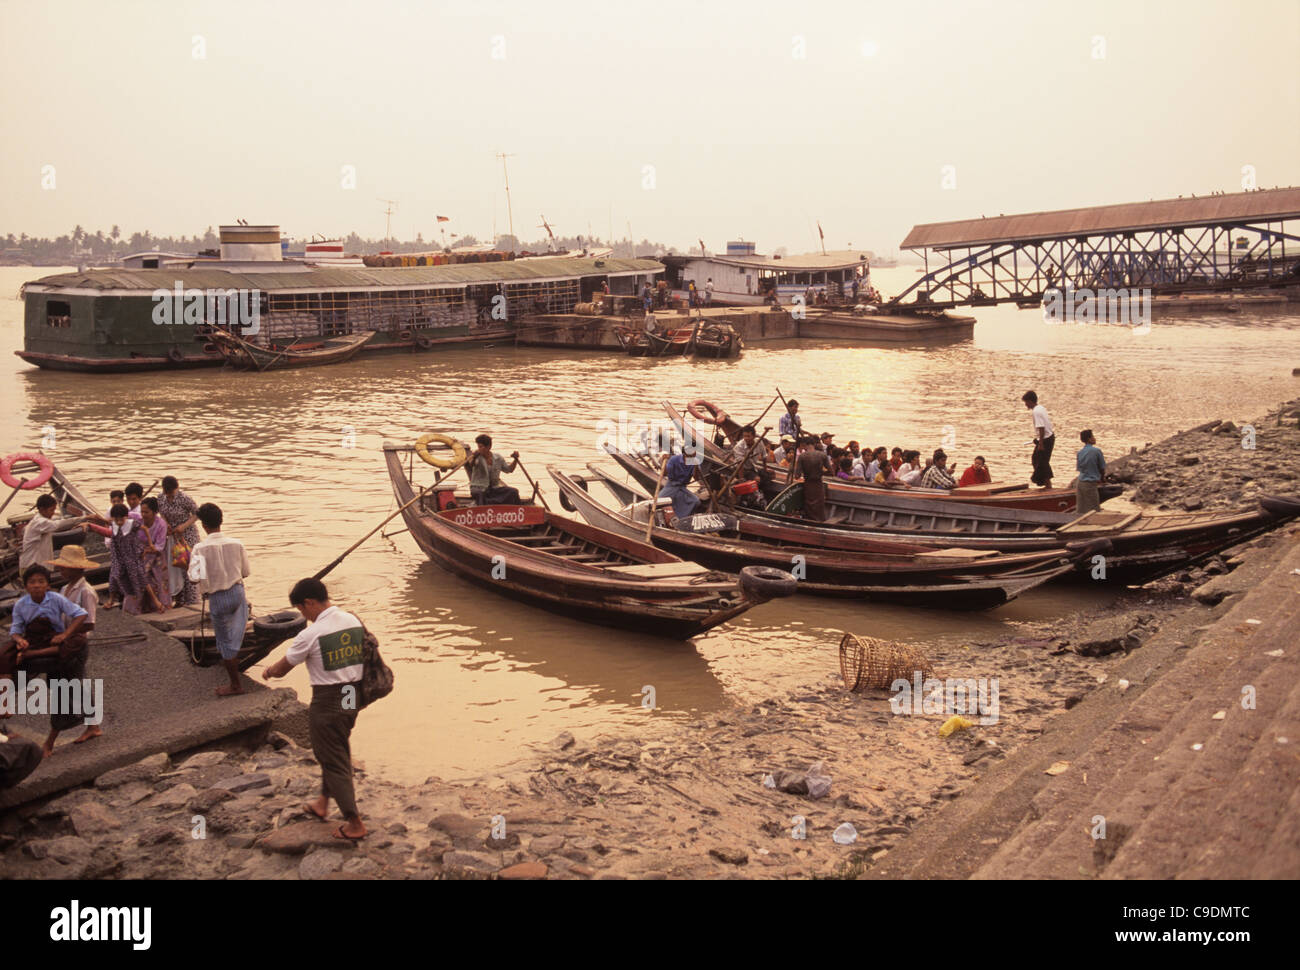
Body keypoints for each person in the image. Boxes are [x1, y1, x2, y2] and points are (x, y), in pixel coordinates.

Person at [263, 578, 367, 842]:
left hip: (328, 699)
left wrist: (268, 671)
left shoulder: (310, 634)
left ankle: (354, 822)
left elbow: (284, 666)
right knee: (335, 747)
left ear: (309, 602)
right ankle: (322, 801)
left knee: (332, 757)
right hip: (351, 696)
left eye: (301, 609)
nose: (303, 616)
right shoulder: (352, 620)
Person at [0, 565, 92, 757]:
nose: (37, 586)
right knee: (5, 655)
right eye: (32, 582)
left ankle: (51, 741)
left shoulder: (73, 594)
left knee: (70, 686)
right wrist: (20, 640)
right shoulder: (23, 604)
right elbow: (16, 630)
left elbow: (84, 617)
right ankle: (4, 702)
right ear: (26, 586)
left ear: (47, 585)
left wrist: (65, 634)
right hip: (34, 641)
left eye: (41, 582)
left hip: (59, 643)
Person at [188, 502, 251, 697]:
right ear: (220, 521)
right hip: (237, 593)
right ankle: (237, 670)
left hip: (218, 597)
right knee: (235, 635)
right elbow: (245, 572)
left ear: (204, 526)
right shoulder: (236, 543)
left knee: (225, 642)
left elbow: (194, 577)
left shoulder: (200, 548)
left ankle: (235, 685)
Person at [45, 545, 102, 747]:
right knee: (74, 683)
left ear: (77, 569)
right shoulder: (64, 589)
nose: (62, 571)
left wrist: (66, 633)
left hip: (76, 643)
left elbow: (90, 622)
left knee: (76, 683)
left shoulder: (86, 592)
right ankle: (90, 723)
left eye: (65, 567)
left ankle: (90, 724)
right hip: (65, 640)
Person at [18, 494, 103, 574]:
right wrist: (85, 518)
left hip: (37, 565)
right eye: (51, 510)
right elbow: (58, 525)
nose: (53, 513)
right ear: (42, 509)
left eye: (54, 510)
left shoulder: (41, 520)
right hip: (32, 566)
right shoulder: (39, 522)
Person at [158, 476, 201, 606]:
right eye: (167, 492)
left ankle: (193, 600)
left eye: (171, 492)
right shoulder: (161, 498)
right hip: (173, 537)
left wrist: (183, 526)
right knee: (176, 567)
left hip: (187, 536)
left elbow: (197, 514)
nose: (169, 495)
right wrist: (166, 524)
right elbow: (161, 513)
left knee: (190, 565)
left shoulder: (184, 498)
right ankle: (179, 600)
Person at [106, 503, 148, 615]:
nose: (119, 522)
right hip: (118, 554)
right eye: (117, 520)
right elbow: (102, 522)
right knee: (114, 574)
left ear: (126, 517)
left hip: (131, 554)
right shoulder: (113, 523)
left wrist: (149, 544)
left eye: (121, 519)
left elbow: (144, 529)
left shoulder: (132, 524)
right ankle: (111, 598)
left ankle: (138, 602)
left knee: (136, 577)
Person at [467, 434, 522, 505]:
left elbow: (509, 470)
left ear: (488, 447)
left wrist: (515, 460)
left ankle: (515, 510)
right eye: (478, 447)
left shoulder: (498, 458)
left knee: (513, 492)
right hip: (478, 488)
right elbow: (471, 465)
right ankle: (483, 511)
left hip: (493, 488)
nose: (479, 449)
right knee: (481, 496)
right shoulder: (477, 458)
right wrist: (474, 457)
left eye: (481, 447)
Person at [138, 497, 170, 612]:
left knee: (161, 581)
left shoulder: (161, 524)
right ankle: (144, 607)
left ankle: (164, 605)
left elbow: (160, 546)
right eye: (142, 511)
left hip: (157, 555)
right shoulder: (137, 520)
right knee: (142, 577)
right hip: (141, 554)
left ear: (154, 512)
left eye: (146, 512)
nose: (143, 514)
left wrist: (149, 550)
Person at [1022, 390, 1055, 488]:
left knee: (1041, 461)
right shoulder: (1040, 408)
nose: (1026, 405)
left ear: (1030, 401)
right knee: (1037, 459)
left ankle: (1047, 483)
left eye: (1026, 402)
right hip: (1048, 437)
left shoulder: (1036, 411)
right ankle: (1045, 482)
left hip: (1045, 439)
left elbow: (1041, 427)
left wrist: (1040, 443)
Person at [660, 446, 701, 522]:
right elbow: (664, 473)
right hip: (671, 486)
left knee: (695, 501)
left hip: (682, 487)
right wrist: (663, 461)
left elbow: (696, 478)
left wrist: (696, 466)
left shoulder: (695, 461)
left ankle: (682, 519)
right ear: (685, 455)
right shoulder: (674, 459)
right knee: (659, 501)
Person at [796, 435, 833, 521]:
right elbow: (831, 473)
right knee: (819, 508)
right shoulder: (822, 455)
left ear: (805, 445)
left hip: (808, 485)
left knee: (809, 508)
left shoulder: (802, 456)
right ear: (814, 444)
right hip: (818, 485)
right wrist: (821, 472)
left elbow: (797, 476)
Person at [1076, 430, 1107, 514]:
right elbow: (1102, 468)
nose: (1094, 438)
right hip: (1090, 484)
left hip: (1080, 483)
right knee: (1094, 509)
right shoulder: (1097, 451)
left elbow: (1080, 468)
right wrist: (1102, 478)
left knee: (1081, 509)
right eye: (1093, 436)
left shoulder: (1080, 452)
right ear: (1089, 439)